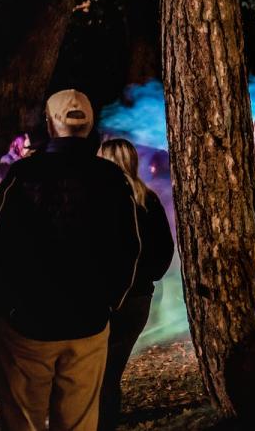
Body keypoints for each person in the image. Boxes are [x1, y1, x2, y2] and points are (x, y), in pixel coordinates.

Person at [0, 89, 142, 431]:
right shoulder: (112, 180)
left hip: (26, 324)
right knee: (79, 424)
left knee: (23, 422)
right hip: (87, 324)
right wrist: (110, 304)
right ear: (90, 125)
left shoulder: (21, 176)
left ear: (49, 125)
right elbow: (129, 251)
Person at [97, 139, 175, 430]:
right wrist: (146, 278)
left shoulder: (96, 198)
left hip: (103, 298)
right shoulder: (148, 198)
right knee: (110, 371)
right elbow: (165, 249)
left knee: (95, 371)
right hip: (137, 298)